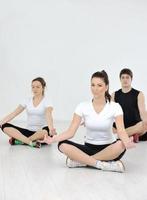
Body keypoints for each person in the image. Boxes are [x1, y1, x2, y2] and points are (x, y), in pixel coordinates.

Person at [41, 70, 135, 172]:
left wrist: (126, 141)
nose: (95, 89)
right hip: (88, 148)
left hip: (109, 148)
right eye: (93, 85)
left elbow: (121, 130)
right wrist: (52, 139)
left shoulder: (115, 107)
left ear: (106, 87)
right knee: (62, 144)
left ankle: (82, 161)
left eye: (99, 85)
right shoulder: (82, 106)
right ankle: (101, 164)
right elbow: (70, 132)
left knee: (121, 145)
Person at [0, 77, 56, 148]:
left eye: (38, 87)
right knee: (4, 126)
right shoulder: (27, 100)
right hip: (28, 131)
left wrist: (51, 129)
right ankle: (30, 142)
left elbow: (48, 114)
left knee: (45, 132)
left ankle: (21, 141)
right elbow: (14, 113)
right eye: (33, 87)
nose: (35, 89)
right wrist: (1, 122)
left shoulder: (47, 100)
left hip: (41, 132)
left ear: (43, 87)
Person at [112, 68, 147, 142]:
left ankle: (119, 136)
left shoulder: (139, 94)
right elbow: (111, 114)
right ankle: (131, 135)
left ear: (131, 79)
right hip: (119, 126)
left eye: (127, 77)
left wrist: (145, 122)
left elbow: (143, 112)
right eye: (123, 77)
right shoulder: (114, 94)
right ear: (120, 79)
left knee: (143, 125)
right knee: (107, 127)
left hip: (135, 125)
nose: (125, 80)